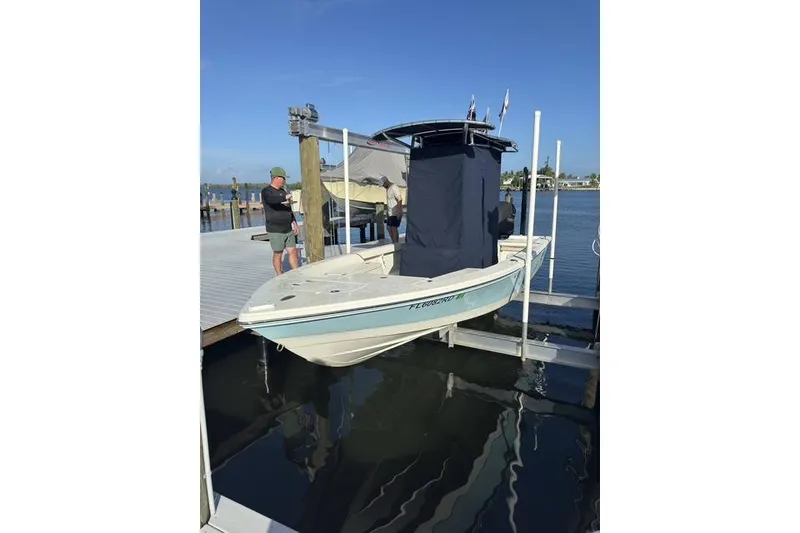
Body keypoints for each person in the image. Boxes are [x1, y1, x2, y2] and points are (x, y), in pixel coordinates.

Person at [261, 167, 300, 275]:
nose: (285, 181)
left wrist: (295, 222)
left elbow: (288, 208)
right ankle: (279, 275)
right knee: (278, 253)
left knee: (292, 251)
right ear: (276, 178)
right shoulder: (266, 191)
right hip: (275, 229)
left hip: (287, 227)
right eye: (283, 178)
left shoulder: (283, 191)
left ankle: (297, 273)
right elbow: (271, 200)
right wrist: (284, 198)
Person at [380, 175, 403, 243]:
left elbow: (399, 199)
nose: (383, 186)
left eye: (383, 184)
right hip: (390, 213)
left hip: (395, 212)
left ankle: (395, 243)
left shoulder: (394, 187)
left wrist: (399, 211)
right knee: (388, 228)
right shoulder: (388, 189)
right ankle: (394, 241)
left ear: (386, 182)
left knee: (393, 228)